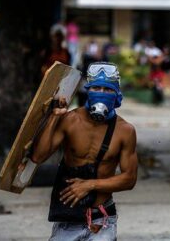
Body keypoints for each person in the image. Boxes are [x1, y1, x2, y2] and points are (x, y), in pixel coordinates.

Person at [30, 62, 138, 240]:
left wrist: (89, 184)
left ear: (117, 94)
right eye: (96, 87)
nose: (101, 94)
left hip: (102, 219)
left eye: (108, 89)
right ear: (87, 90)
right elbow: (37, 156)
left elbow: (129, 179)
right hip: (69, 218)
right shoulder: (70, 120)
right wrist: (54, 118)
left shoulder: (125, 131)